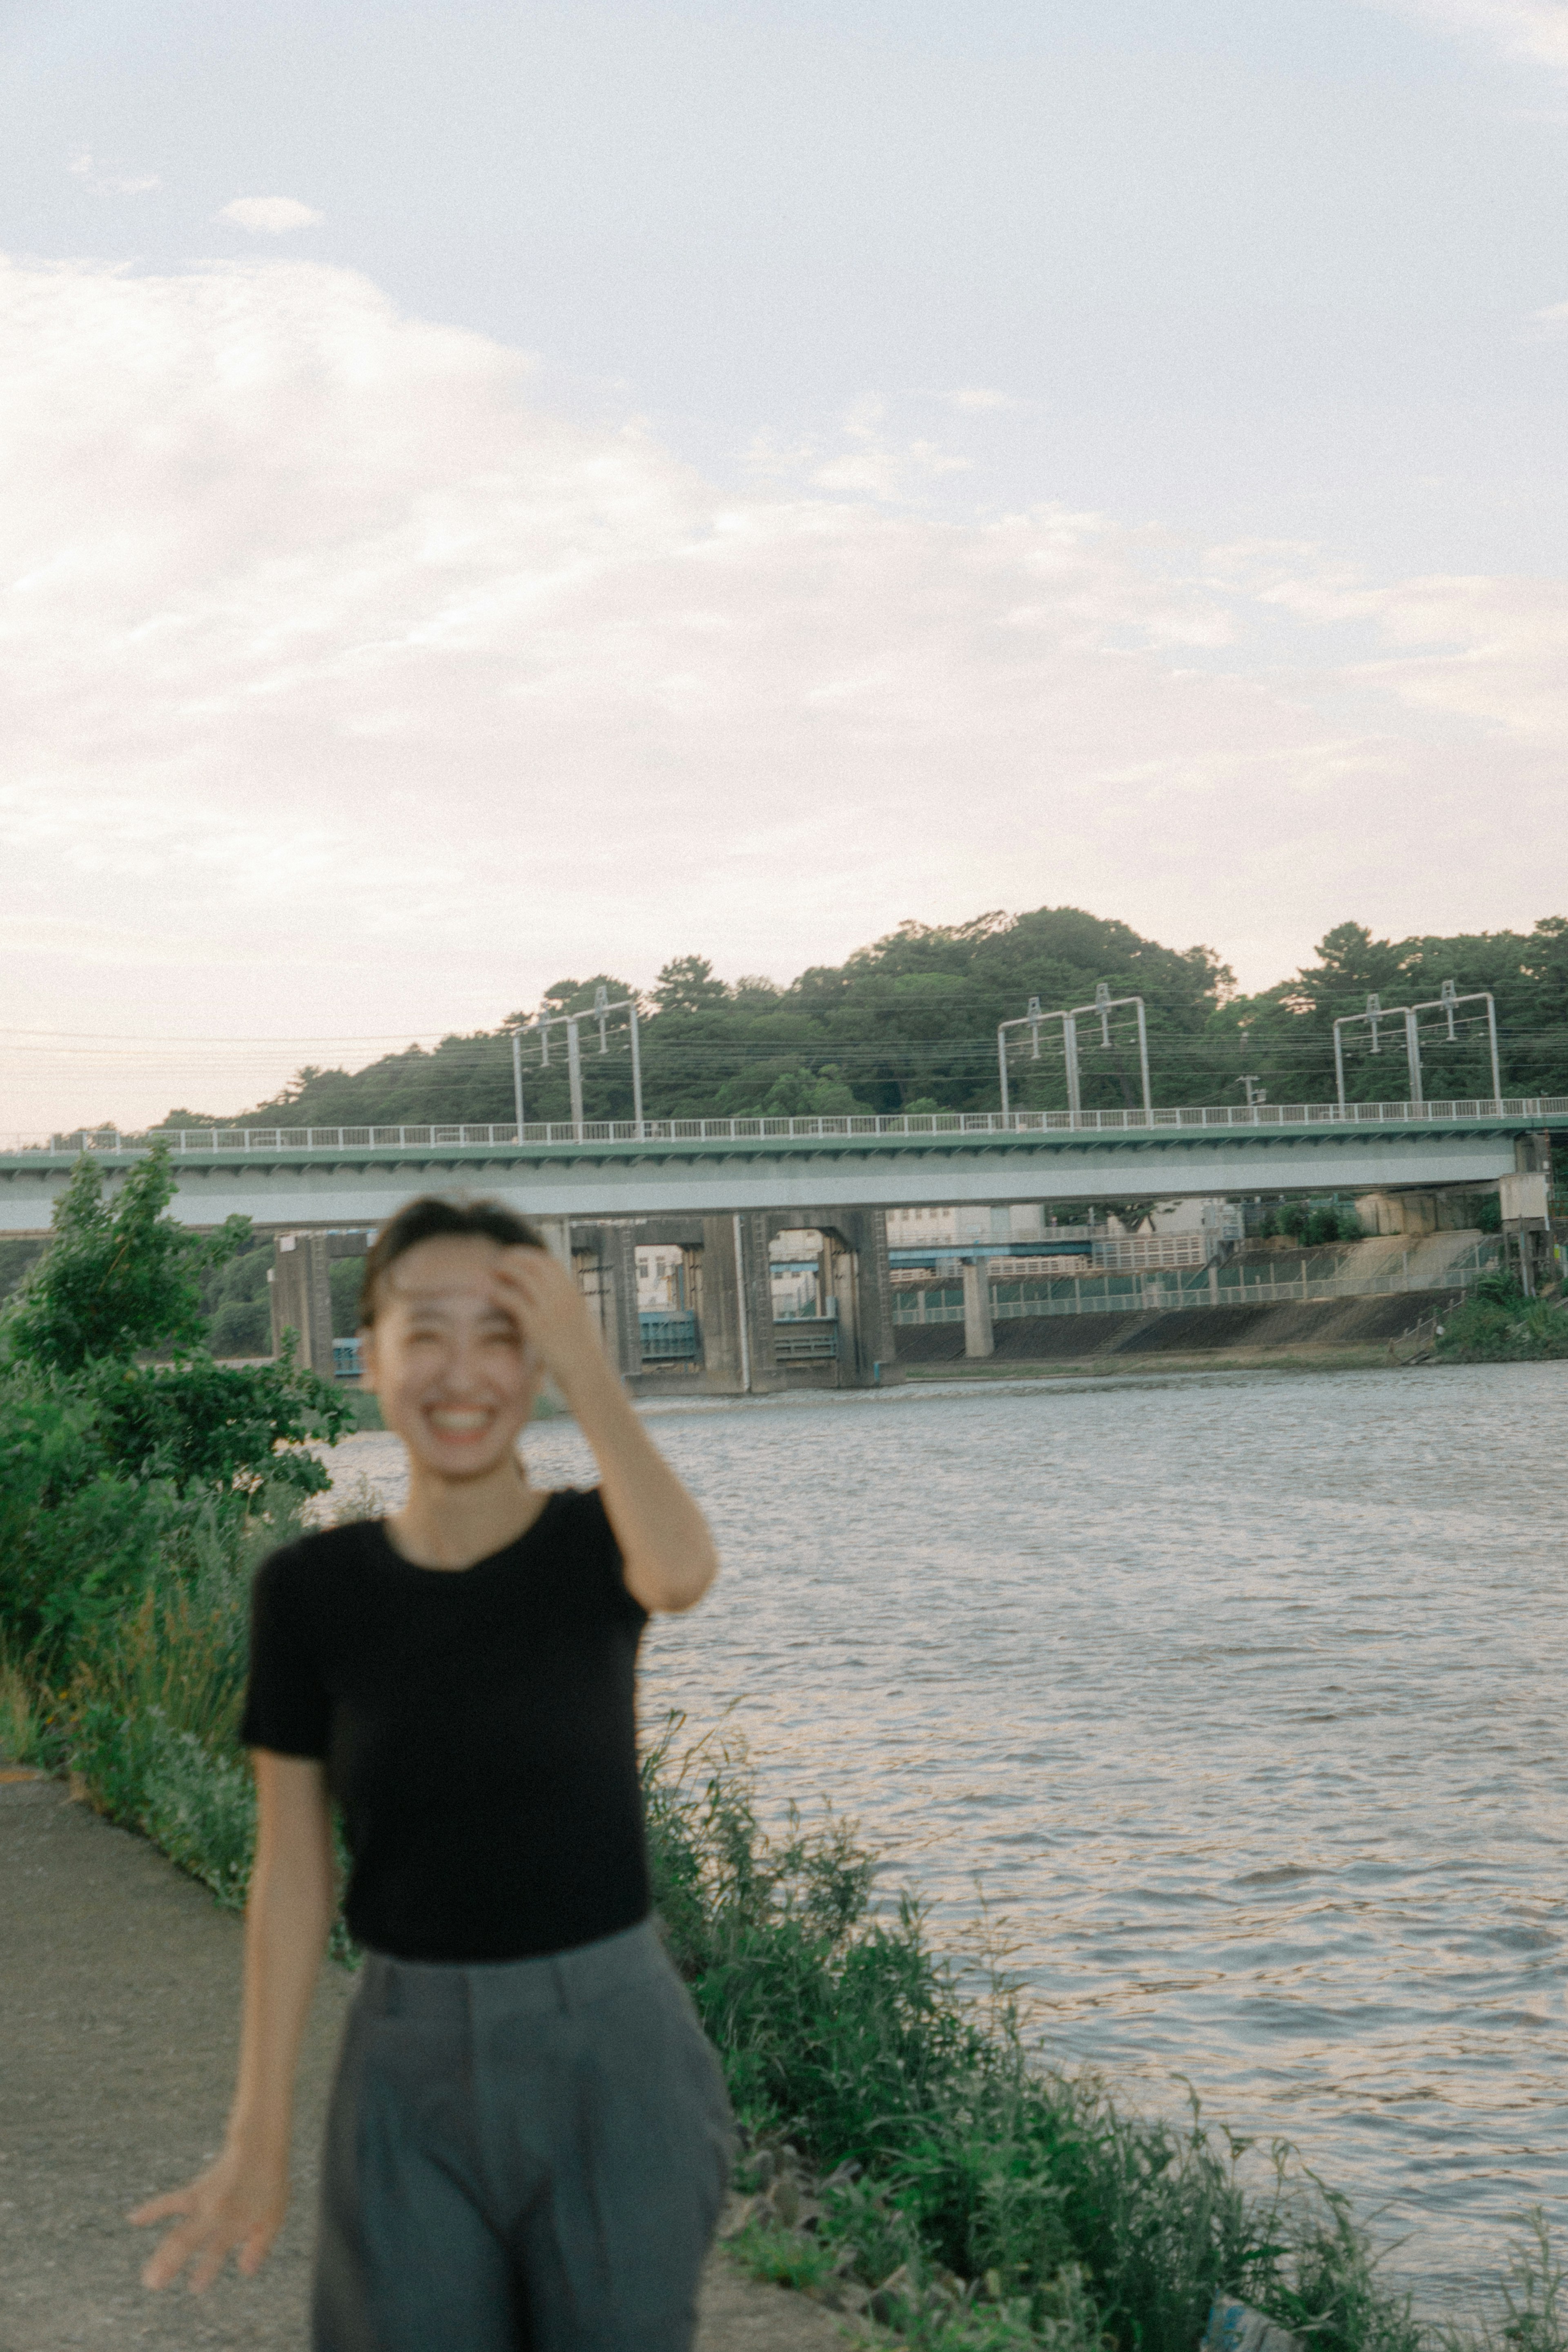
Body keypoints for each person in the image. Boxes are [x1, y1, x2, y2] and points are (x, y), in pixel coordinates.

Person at [130, 1195, 733, 2351]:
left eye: (503, 1333)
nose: (465, 1372)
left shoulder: (595, 1545)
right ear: (371, 1355)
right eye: (427, 1331)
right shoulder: (310, 1592)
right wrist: (258, 2136)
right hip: (405, 2064)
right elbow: (291, 1876)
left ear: (543, 1356)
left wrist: (589, 1373)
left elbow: (685, 1570)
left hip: (615, 2053)